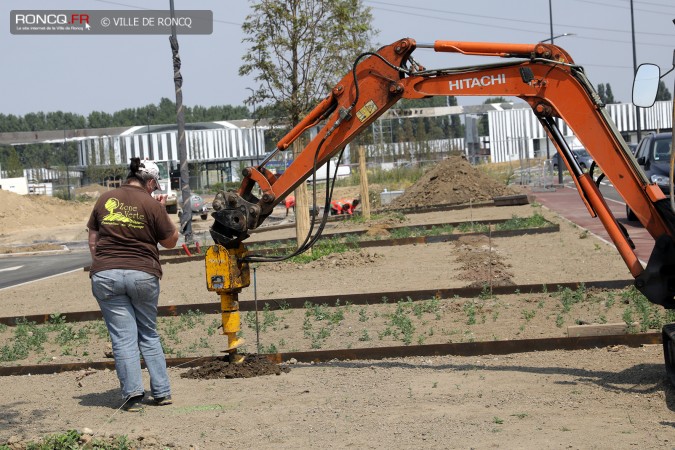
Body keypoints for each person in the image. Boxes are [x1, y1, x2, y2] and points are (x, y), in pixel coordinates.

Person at [87, 158, 179, 412]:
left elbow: (93, 238)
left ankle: (133, 396)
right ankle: (161, 393)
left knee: (123, 337)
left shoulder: (105, 199)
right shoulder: (151, 203)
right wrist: (167, 216)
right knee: (147, 332)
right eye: (155, 186)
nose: (154, 190)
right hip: (142, 274)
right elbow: (170, 241)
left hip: (106, 275)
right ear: (149, 182)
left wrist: (104, 265)